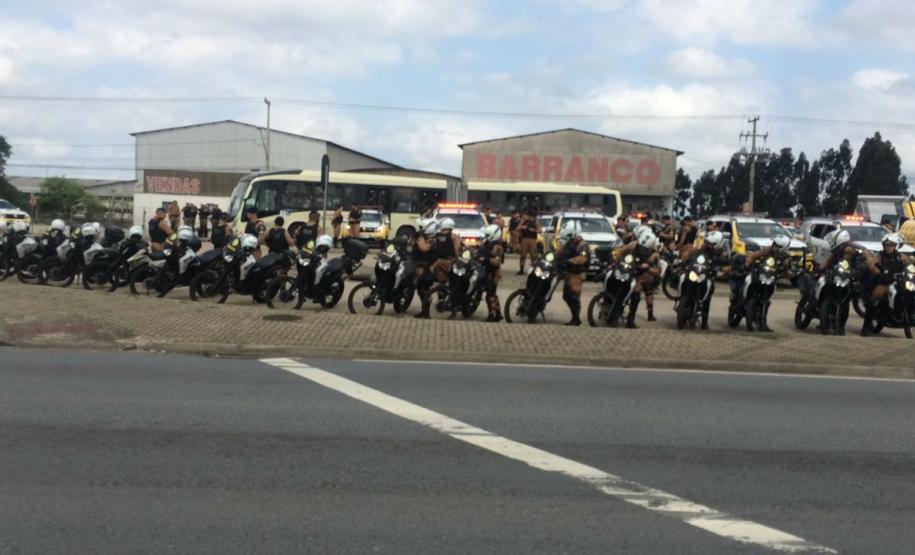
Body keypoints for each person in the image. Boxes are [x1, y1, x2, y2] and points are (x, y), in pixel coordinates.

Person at [861, 233, 913, 336]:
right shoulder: (880, 256)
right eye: (887, 245)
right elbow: (872, 264)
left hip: (900, 281)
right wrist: (877, 271)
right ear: (884, 246)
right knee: (875, 298)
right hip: (885, 282)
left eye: (891, 245)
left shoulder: (901, 256)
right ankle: (866, 327)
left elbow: (910, 263)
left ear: (895, 246)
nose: (889, 247)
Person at [678, 230, 727, 329]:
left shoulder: (722, 253)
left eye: (711, 244)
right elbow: (690, 252)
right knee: (683, 279)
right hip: (696, 272)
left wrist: (721, 269)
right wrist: (683, 260)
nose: (708, 245)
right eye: (707, 242)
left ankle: (704, 321)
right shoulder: (702, 247)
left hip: (707, 275)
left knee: (708, 296)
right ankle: (682, 303)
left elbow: (726, 265)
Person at [615, 229, 662, 328]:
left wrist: (649, 268)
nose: (643, 250)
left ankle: (631, 320)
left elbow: (658, 270)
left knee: (638, 295)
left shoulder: (655, 253)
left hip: (642, 275)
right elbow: (620, 253)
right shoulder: (633, 245)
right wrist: (617, 262)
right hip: (628, 270)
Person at [556, 224, 590, 326]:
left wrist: (568, 261)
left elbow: (582, 258)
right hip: (569, 272)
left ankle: (576, 319)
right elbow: (561, 253)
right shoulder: (570, 242)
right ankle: (574, 317)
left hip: (577, 273)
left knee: (574, 295)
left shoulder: (582, 244)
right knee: (566, 296)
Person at [478, 224, 505, 322]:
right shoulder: (487, 243)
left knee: (491, 294)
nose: (486, 236)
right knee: (490, 294)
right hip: (485, 270)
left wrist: (486, 259)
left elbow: (497, 261)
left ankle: (493, 314)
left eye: (487, 235)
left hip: (493, 272)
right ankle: (497, 313)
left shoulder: (498, 247)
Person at [413, 218, 439, 319]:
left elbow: (424, 248)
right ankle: (424, 311)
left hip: (429, 269)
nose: (420, 230)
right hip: (422, 267)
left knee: (424, 290)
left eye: (422, 228)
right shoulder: (426, 238)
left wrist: (419, 240)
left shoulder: (433, 240)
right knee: (420, 289)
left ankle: (426, 312)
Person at [516, 210, 540, 275]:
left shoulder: (535, 221)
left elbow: (540, 230)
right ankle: (521, 269)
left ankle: (534, 270)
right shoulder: (523, 221)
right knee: (523, 255)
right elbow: (517, 228)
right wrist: (522, 227)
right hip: (524, 239)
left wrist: (534, 230)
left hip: (533, 239)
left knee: (533, 256)